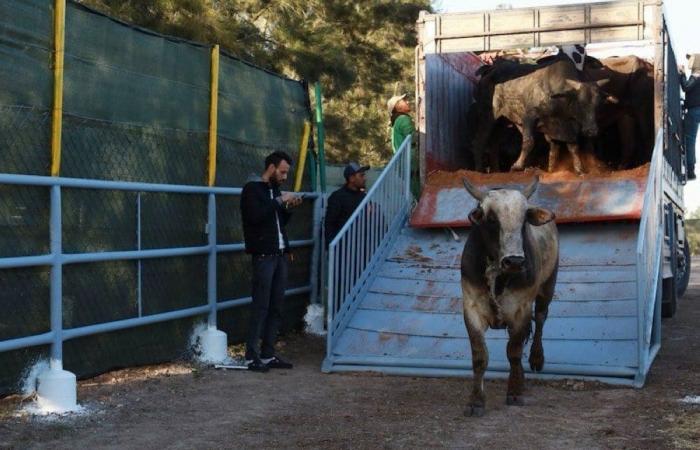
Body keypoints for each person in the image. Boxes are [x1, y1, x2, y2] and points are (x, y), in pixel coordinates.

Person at [240, 151, 302, 372]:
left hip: (280, 254)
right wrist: (278, 200)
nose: (285, 177)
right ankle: (251, 355)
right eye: (283, 172)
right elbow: (255, 217)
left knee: (276, 305)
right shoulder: (252, 190)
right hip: (264, 256)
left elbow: (278, 221)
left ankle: (267, 354)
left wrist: (290, 206)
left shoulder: (274, 191)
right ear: (271, 167)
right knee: (261, 306)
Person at [325, 162, 369, 246]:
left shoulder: (364, 197)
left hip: (362, 247)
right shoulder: (337, 197)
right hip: (343, 247)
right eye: (361, 176)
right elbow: (330, 224)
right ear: (352, 178)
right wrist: (331, 246)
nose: (365, 178)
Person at [681, 54, 700, 180]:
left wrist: (681, 74)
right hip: (695, 110)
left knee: (689, 140)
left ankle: (690, 170)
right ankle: (690, 169)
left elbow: (686, 87)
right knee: (690, 139)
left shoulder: (697, 75)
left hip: (694, 111)